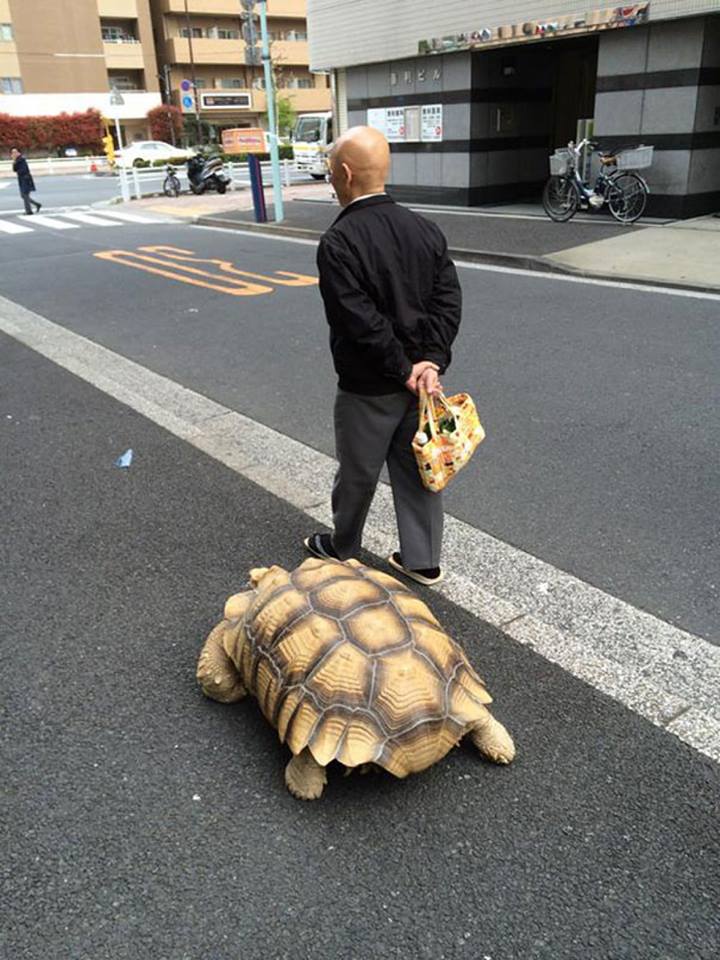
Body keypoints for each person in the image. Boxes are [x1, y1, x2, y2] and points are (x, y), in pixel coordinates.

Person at [304, 125, 462, 586]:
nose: (331, 181)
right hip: (423, 386)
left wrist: (400, 367)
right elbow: (447, 300)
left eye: (332, 173)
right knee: (419, 469)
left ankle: (344, 547)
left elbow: (359, 320)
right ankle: (422, 559)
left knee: (358, 469)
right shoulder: (424, 229)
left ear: (345, 173)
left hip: (369, 385)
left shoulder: (339, 241)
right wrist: (430, 362)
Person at [11, 148, 41, 216]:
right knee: (23, 195)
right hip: (22, 179)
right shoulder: (17, 160)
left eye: (15, 152)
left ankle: (29, 211)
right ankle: (37, 205)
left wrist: (16, 164)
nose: (14, 154)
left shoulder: (22, 159)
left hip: (25, 179)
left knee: (25, 195)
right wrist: (14, 161)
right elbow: (14, 170)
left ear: (19, 152)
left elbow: (23, 170)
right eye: (12, 153)